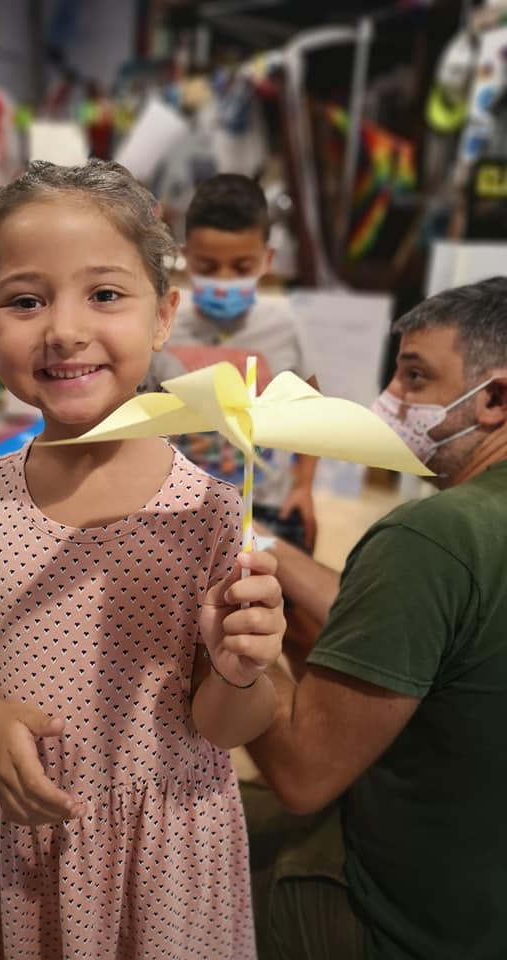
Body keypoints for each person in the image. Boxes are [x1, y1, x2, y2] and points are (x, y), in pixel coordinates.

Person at [0, 159, 286, 960]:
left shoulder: (211, 514)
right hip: (39, 840)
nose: (62, 329)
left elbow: (230, 726)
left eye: (106, 294)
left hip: (171, 841)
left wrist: (239, 670)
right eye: (25, 299)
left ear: (164, 316)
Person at [242, 276, 507, 960]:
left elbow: (302, 776)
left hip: (393, 920)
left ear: (496, 398)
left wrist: (222, 648)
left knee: (184, 841)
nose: (389, 401)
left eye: (416, 378)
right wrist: (261, 544)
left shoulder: (434, 535)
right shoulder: (463, 539)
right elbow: (408, 625)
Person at [166, 173, 318, 551]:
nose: (223, 279)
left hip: (264, 505)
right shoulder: (163, 324)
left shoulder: (285, 324)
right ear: (185, 256)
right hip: (179, 507)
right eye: (208, 265)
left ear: (267, 260)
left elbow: (314, 410)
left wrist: (303, 488)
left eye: (241, 266)